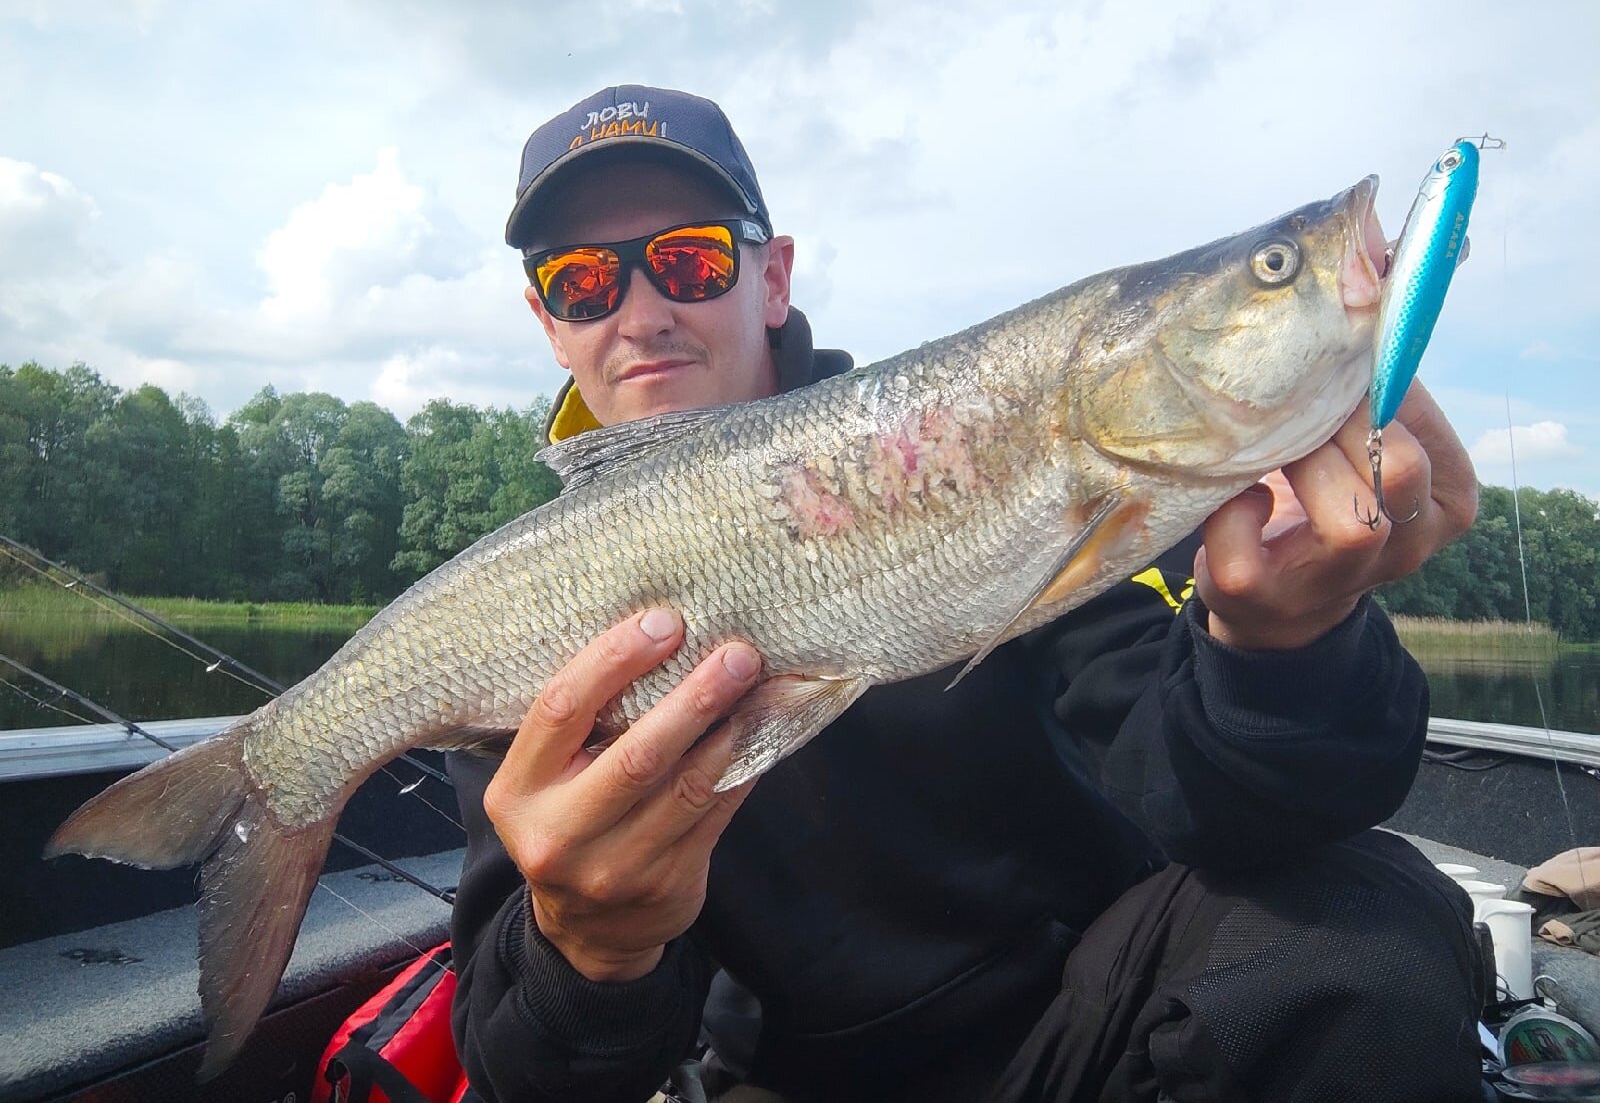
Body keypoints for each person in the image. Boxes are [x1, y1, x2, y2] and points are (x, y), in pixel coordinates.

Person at [447, 85, 1489, 1103]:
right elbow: (524, 1073)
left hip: (1083, 1012)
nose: (639, 313)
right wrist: (592, 946)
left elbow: (1220, 803)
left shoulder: (980, 449)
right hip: (811, 1069)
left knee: (1373, 920)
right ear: (549, 324)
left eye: (688, 260)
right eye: (584, 282)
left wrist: (1284, 647)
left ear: (770, 281)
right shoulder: (528, 603)